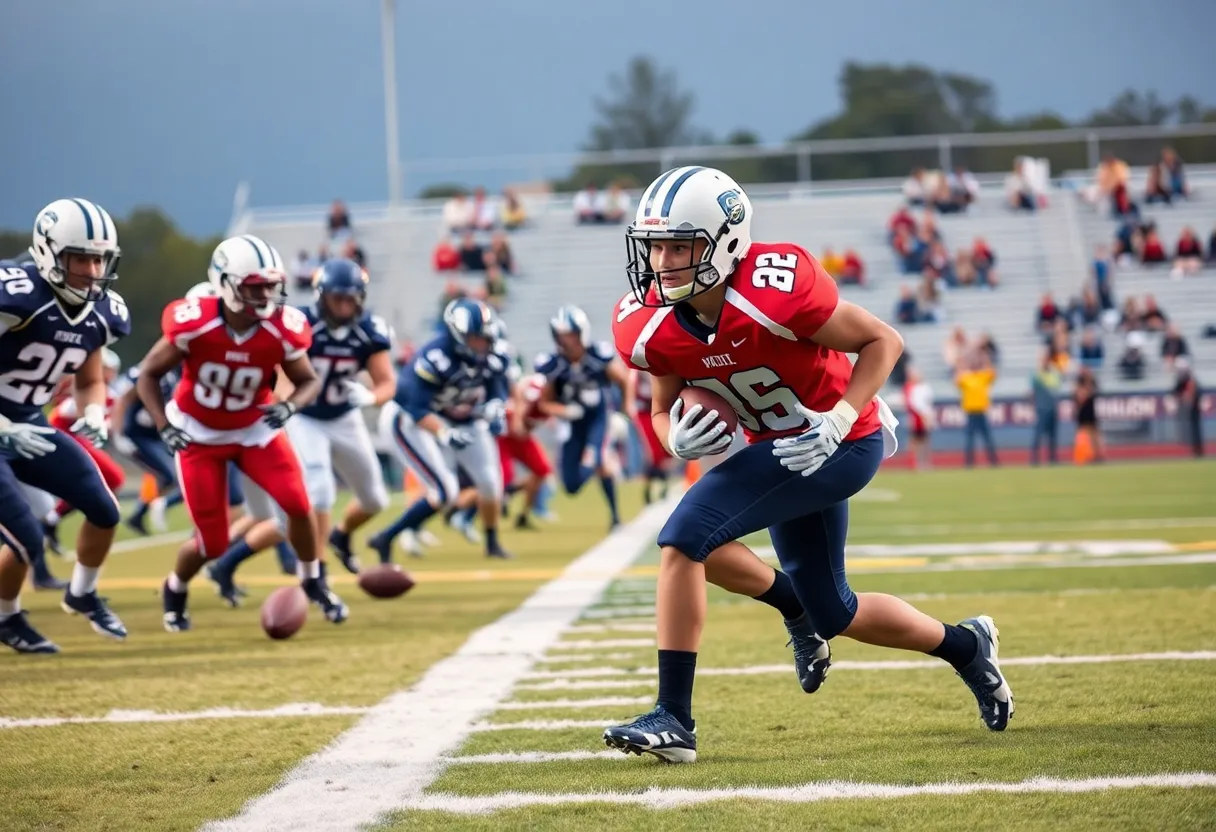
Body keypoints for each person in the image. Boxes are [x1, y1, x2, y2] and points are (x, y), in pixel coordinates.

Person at [604, 167, 1013, 762]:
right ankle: (965, 646)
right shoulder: (653, 321)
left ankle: (675, 719)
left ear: (725, 240)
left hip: (842, 442)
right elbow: (662, 410)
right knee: (834, 610)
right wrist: (675, 441)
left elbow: (883, 341)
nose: (663, 261)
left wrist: (840, 418)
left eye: (679, 245)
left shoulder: (774, 289)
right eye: (656, 246)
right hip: (779, 447)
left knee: (684, 538)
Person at [135, 234, 347, 632]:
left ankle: (312, 578)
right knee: (212, 542)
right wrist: (163, 425)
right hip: (197, 434)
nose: (265, 295)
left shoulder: (283, 328)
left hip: (254, 429)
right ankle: (175, 587)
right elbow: (148, 373)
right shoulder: (196, 323)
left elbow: (308, 381)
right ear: (226, 284)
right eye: (254, 287)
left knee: (298, 505)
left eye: (271, 285)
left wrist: (289, 405)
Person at [207, 258, 394, 595]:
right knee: (319, 489)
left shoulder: (369, 329)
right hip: (306, 417)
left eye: (351, 298)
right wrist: (284, 405)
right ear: (322, 296)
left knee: (375, 500)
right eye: (338, 298)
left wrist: (369, 397)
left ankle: (340, 535)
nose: (345, 305)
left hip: (344, 417)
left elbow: (387, 382)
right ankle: (316, 572)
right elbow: (277, 373)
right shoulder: (298, 322)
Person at [0, 198, 131, 653]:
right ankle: (8, 618)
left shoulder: (100, 311)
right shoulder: (16, 296)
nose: (92, 271)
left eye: (99, 259)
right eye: (80, 258)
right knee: (25, 538)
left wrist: (94, 412)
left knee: (104, 508)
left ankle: (82, 593)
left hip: (28, 427)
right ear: (48, 252)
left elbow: (90, 380)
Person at [370, 297, 512, 560]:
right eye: (476, 338)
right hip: (432, 423)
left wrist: (496, 406)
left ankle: (492, 541)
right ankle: (396, 534)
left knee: (491, 483)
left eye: (486, 338)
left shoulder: (495, 354)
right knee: (444, 489)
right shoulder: (433, 357)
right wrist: (444, 433)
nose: (483, 344)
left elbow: (498, 389)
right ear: (458, 335)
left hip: (468, 420)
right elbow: (416, 407)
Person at [534, 305, 630, 529]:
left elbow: (623, 380)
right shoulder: (554, 364)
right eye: (562, 335)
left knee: (594, 462)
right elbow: (545, 402)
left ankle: (615, 517)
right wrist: (564, 411)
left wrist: (625, 410)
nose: (567, 340)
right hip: (571, 425)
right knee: (571, 486)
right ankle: (605, 467)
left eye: (571, 334)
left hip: (597, 420)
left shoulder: (597, 355)